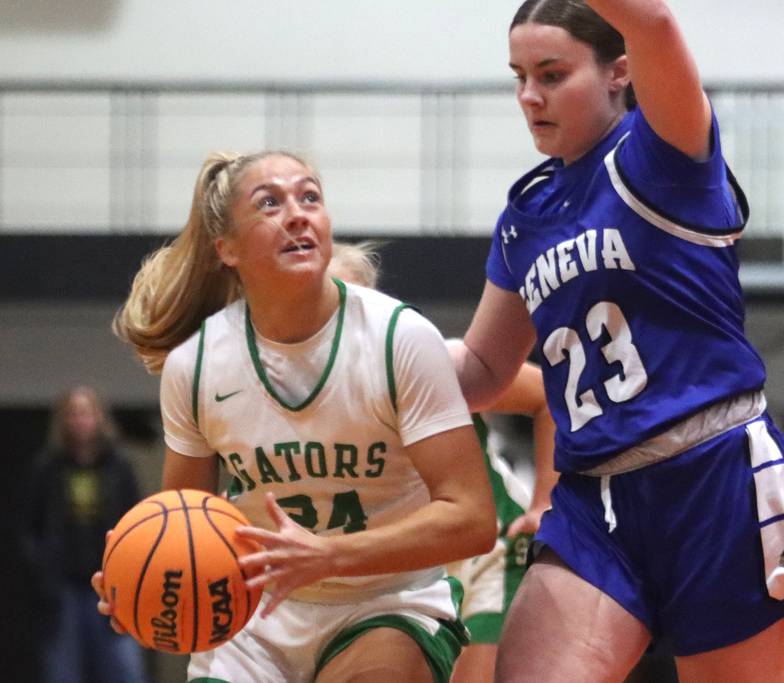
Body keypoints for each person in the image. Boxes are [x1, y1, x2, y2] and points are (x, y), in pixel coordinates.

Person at [448, 1, 784, 681]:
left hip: (714, 475)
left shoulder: (663, 152)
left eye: (551, 73)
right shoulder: (525, 216)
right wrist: (372, 350)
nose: (529, 95)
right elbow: (485, 367)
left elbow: (657, 23)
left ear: (619, 72)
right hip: (595, 498)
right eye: (518, 75)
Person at [94, 150, 496, 683]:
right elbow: (187, 518)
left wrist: (329, 555)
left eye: (310, 197)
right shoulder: (196, 366)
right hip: (254, 616)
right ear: (226, 248)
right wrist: (144, 577)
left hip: (387, 601)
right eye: (270, 204)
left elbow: (472, 519)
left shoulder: (398, 338)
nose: (298, 213)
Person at [328, 240, 559, 683]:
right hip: (404, 562)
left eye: (352, 305)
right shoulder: (306, 394)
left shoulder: (430, 362)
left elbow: (547, 399)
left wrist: (545, 503)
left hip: (487, 549)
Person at [27, 385, 150, 683]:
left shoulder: (119, 466)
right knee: (61, 672)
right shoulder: (48, 467)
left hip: (112, 585)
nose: (80, 420)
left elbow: (138, 522)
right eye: (73, 413)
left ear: (98, 417)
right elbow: (30, 527)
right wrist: (45, 568)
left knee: (125, 671)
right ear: (63, 420)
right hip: (63, 587)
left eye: (85, 412)